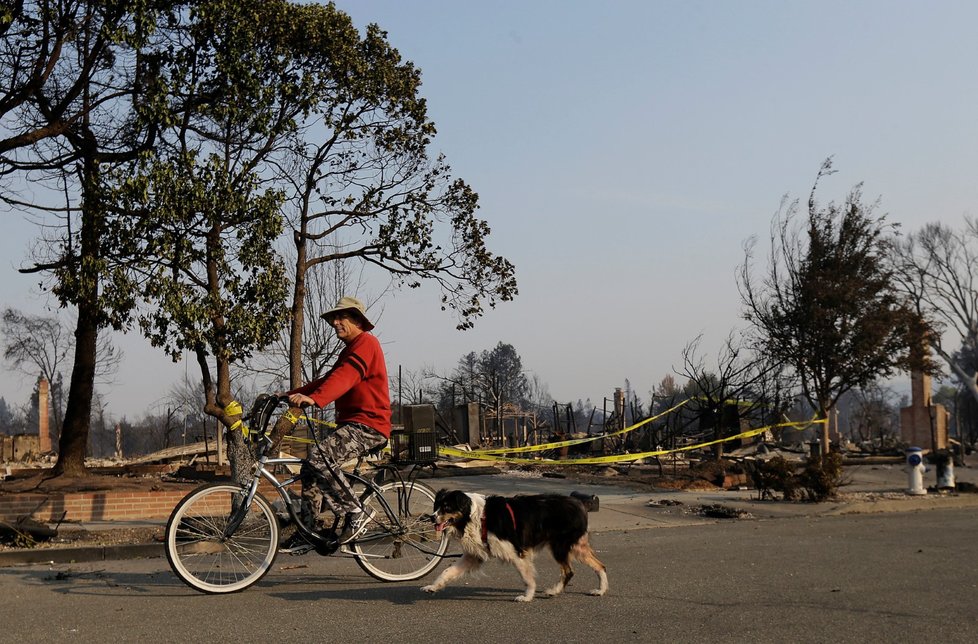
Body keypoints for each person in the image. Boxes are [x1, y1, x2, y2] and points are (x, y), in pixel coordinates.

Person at [279, 296, 391, 552]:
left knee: (321, 458)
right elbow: (328, 379)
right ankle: (310, 530)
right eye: (333, 319)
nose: (335, 323)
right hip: (352, 424)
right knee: (310, 469)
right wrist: (288, 394)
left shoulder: (366, 344)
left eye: (341, 318)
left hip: (369, 425)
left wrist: (315, 399)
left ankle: (356, 511)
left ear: (357, 320)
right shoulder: (349, 349)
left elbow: (345, 377)